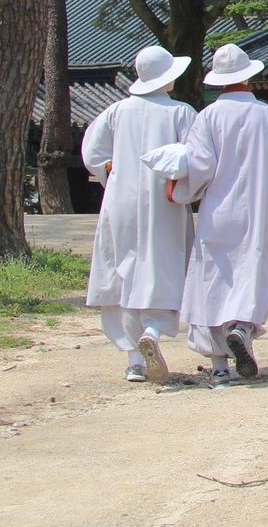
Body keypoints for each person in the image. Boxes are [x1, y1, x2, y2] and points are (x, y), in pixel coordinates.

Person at [167, 43, 268, 385]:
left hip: (217, 211)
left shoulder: (207, 116)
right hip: (256, 210)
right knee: (251, 273)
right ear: (250, 76)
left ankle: (219, 368)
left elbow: (199, 166)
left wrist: (179, 189)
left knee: (212, 279)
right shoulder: (267, 116)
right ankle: (241, 327)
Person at [80, 46, 197, 383]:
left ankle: (133, 358)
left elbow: (92, 153)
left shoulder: (116, 111)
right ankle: (154, 330)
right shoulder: (181, 112)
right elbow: (195, 155)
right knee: (164, 264)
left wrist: (111, 170)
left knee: (122, 267)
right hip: (164, 200)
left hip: (121, 199)